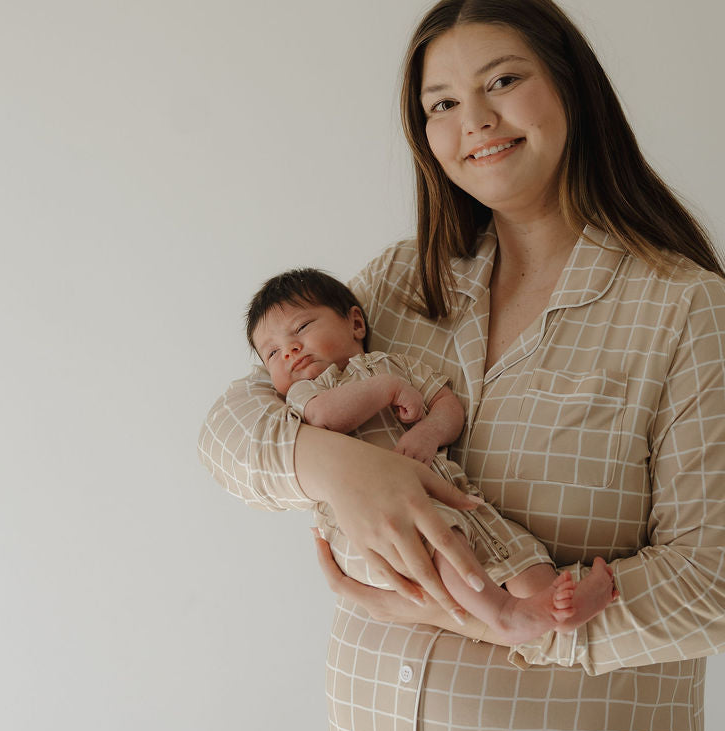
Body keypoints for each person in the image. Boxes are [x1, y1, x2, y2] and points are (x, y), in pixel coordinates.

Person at [199, 0, 725, 731]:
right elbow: (228, 429)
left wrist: (484, 616)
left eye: (502, 81)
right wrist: (339, 469)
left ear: (570, 87)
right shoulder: (401, 284)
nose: (474, 121)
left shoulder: (679, 309)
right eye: (441, 103)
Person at [245, 265, 616, 643]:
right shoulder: (305, 393)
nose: (289, 350)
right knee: (440, 536)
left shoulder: (395, 363)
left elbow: (447, 405)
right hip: (376, 528)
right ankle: (504, 614)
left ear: (355, 323)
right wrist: (387, 389)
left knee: (507, 542)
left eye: (302, 328)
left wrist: (429, 432)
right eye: (272, 352)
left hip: (449, 497)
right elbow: (325, 417)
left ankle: (556, 606)